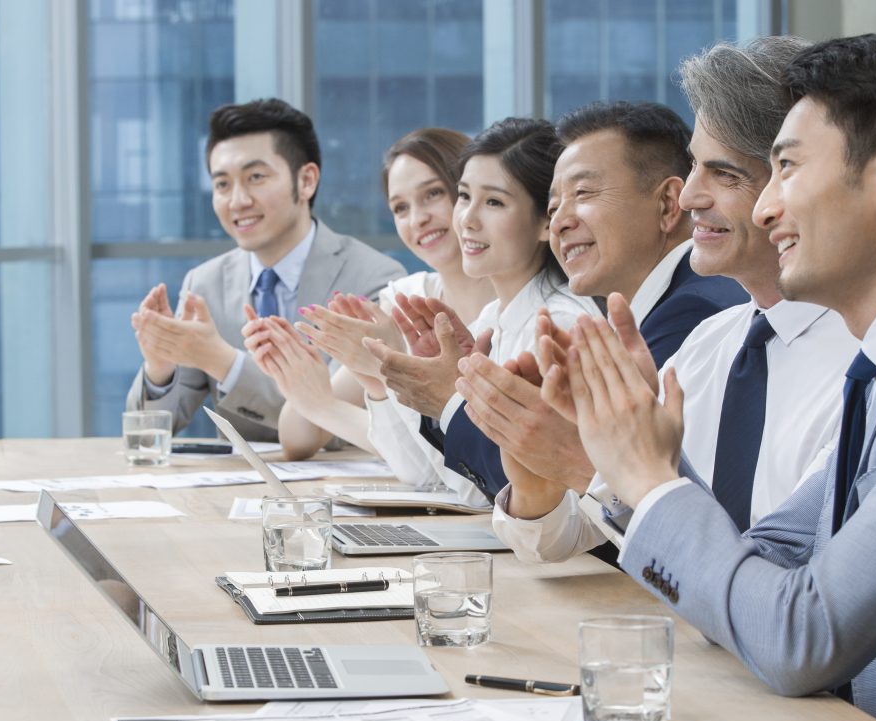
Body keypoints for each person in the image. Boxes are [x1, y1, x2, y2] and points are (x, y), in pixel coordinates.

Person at [550, 34, 876, 721]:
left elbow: (800, 631)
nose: (762, 206)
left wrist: (653, 479)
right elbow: (763, 569)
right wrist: (630, 475)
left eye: (784, 169)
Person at [484, 36, 857, 561]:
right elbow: (570, 538)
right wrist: (536, 481)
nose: (688, 197)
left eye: (723, 174)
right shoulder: (709, 346)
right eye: (695, 168)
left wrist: (594, 466)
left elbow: (775, 593)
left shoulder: (867, 366)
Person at [422, 102, 749, 502]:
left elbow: (590, 487)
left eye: (583, 193)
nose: (559, 221)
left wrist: (453, 400)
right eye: (555, 205)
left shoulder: (695, 313)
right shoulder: (655, 308)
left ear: (666, 204)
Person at [125, 98, 404, 441]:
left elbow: (337, 420)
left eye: (255, 177)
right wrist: (160, 366)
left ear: (306, 181)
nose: (237, 200)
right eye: (222, 184)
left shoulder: (375, 280)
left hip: (341, 490)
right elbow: (147, 437)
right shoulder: (205, 283)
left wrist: (223, 362)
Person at [242, 128, 493, 504]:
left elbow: (452, 469)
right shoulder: (406, 299)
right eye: (401, 208)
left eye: (433, 194)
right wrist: (301, 378)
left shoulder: (511, 308)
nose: (418, 219)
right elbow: (298, 437)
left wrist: (370, 388)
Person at [365, 116, 602, 501]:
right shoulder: (493, 319)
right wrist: (431, 392)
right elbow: (462, 483)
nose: (468, 220)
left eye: (493, 202)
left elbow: (511, 493)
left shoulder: (562, 326)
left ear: (547, 220)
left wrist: (447, 398)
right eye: (463, 196)